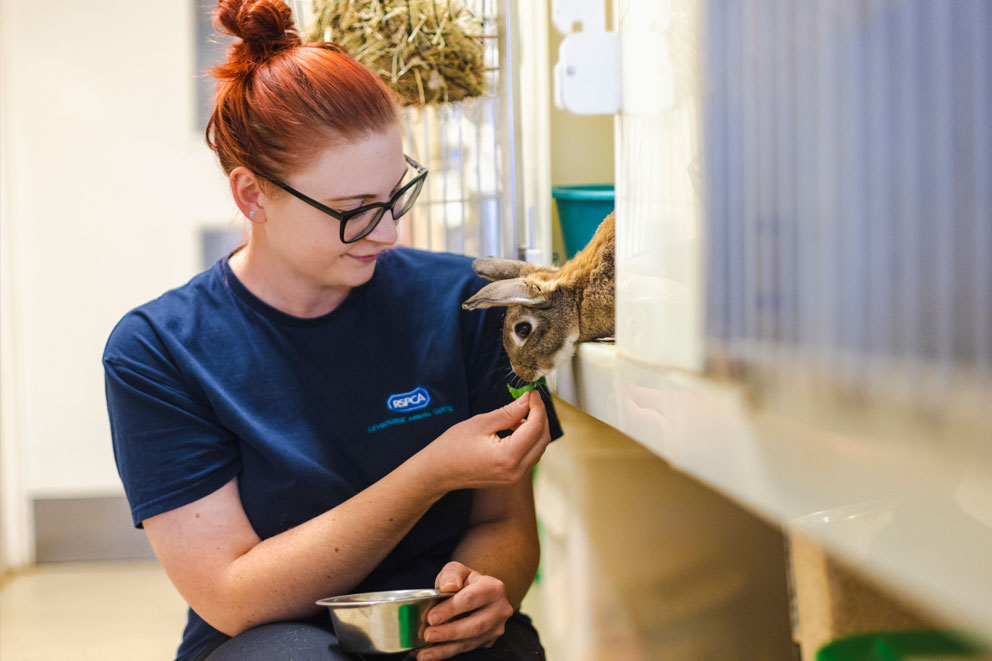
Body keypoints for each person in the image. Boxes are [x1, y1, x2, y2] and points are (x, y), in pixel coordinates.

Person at [102, 1, 561, 659]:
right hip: (266, 633)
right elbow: (232, 594)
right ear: (252, 196)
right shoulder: (159, 349)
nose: (390, 233)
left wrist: (489, 584)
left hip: (437, 630)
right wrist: (429, 471)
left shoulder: (467, 301)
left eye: (395, 195)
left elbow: (503, 522)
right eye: (353, 212)